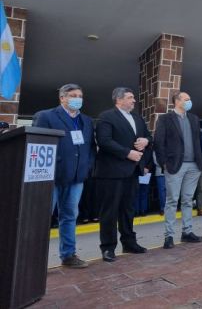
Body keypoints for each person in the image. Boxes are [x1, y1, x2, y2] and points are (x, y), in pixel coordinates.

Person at [33, 83, 96, 268]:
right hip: (50, 177)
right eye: (73, 95)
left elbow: (91, 147)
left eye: (80, 95)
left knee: (69, 216)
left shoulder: (87, 120)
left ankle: (68, 255)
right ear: (62, 98)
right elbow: (37, 144)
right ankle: (34, 258)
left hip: (76, 177)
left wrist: (87, 166)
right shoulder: (46, 116)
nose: (78, 99)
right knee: (41, 218)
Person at [94, 87, 152, 262]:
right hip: (112, 172)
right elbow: (104, 141)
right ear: (118, 100)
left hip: (133, 171)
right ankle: (108, 247)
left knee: (128, 210)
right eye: (130, 97)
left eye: (133, 97)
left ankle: (129, 243)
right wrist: (127, 153)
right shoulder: (106, 116)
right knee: (109, 211)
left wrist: (146, 141)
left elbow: (149, 138)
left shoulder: (137, 118)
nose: (134, 100)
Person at [154, 91, 202, 249]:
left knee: (188, 200)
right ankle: (169, 236)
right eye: (186, 99)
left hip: (194, 166)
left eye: (190, 99)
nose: (190, 101)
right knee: (172, 200)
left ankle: (187, 232)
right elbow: (158, 142)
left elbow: (198, 141)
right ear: (177, 101)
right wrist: (164, 163)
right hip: (175, 165)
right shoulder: (165, 119)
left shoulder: (194, 119)